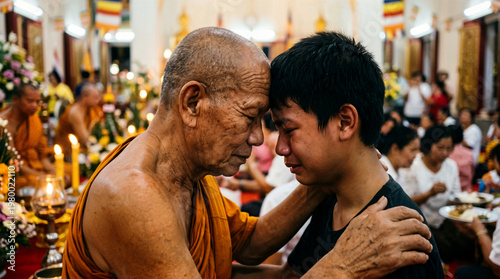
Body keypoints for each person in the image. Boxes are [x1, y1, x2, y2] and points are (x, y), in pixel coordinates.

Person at [63, 28, 434, 279]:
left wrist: (328, 174)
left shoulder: (186, 173)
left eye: (274, 123)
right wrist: (339, 269)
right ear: (193, 102)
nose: (260, 139)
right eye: (249, 116)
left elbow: (247, 245)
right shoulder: (134, 195)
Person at [263, 32, 442, 278]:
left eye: (290, 129)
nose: (280, 147)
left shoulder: (398, 234)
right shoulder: (330, 197)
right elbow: (291, 275)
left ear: (345, 122)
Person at [402, 125, 473, 263]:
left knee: (467, 245)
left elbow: (455, 196)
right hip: (421, 222)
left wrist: (465, 202)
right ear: (428, 145)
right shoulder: (414, 166)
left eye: (449, 148)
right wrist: (430, 193)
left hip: (444, 220)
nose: (445, 153)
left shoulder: (451, 165)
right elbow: (406, 203)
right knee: (443, 250)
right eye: (440, 148)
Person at [0, 83, 56, 187]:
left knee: (65, 174)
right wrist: (43, 177)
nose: (35, 105)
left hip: (36, 166)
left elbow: (42, 156)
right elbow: (13, 162)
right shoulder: (3, 123)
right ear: (16, 99)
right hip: (17, 173)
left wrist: (53, 173)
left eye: (38, 101)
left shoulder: (34, 120)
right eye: (30, 101)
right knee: (31, 183)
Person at [54, 83, 101, 159]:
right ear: (85, 96)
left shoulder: (90, 109)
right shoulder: (75, 112)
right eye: (95, 98)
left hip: (83, 149)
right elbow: (85, 139)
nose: (98, 101)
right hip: (68, 153)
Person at [448, 125, 475, 191]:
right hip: (467, 191)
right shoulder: (469, 153)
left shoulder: (447, 154)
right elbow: (473, 172)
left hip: (450, 191)